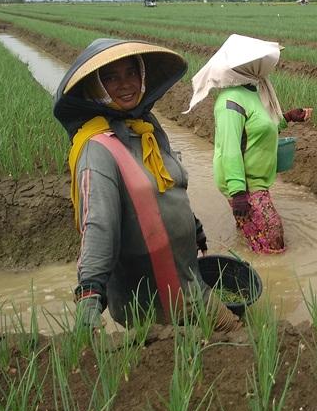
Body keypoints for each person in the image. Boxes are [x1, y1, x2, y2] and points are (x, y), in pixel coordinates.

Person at [53, 38, 239, 330]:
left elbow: (166, 188)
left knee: (220, 346)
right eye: (111, 78)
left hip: (188, 277)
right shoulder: (97, 149)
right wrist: (89, 293)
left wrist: (195, 228)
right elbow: (99, 223)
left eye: (131, 73)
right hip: (149, 294)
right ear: (95, 87)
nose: (125, 84)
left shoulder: (146, 127)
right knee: (186, 355)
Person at [185, 34, 312, 254]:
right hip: (244, 184)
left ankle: (247, 250)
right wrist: (238, 194)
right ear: (248, 66)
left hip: (257, 181)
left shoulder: (253, 91)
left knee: (256, 235)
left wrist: (289, 117)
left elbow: (260, 128)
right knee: (273, 242)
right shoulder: (230, 101)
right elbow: (230, 149)